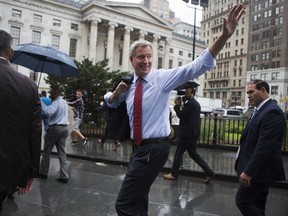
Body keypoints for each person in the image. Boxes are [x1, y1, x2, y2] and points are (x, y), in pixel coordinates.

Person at [104, 4, 244, 215]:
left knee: (123, 204)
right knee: (138, 198)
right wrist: (115, 94)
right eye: (141, 57)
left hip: (154, 148)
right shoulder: (128, 84)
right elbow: (109, 102)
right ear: (132, 59)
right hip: (138, 148)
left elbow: (196, 66)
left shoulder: (161, 79)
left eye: (149, 56)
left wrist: (224, 37)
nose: (146, 61)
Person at [0, 30, 42, 209]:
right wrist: (31, 172)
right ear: (10, 53)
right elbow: (35, 132)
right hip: (9, 170)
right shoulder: (29, 85)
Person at [235, 79, 286, 216]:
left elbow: (264, 146)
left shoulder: (272, 112)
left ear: (263, 90)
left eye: (251, 92)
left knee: (242, 201)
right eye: (247, 93)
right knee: (257, 203)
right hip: (258, 169)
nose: (248, 95)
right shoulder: (260, 109)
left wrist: (249, 171)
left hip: (259, 171)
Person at [163, 87, 215, 183]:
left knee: (178, 153)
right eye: (185, 93)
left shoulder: (190, 103)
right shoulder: (195, 103)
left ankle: (174, 174)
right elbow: (187, 116)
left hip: (186, 134)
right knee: (193, 154)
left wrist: (177, 106)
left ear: (193, 93)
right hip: (193, 134)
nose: (185, 95)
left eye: (187, 93)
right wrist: (182, 104)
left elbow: (181, 115)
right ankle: (209, 172)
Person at [39, 86, 69, 184]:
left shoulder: (56, 102)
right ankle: (64, 175)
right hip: (64, 128)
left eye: (52, 93)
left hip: (55, 128)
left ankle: (43, 173)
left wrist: (41, 102)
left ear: (56, 93)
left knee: (47, 150)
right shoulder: (64, 102)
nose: (50, 95)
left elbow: (48, 112)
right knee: (62, 152)